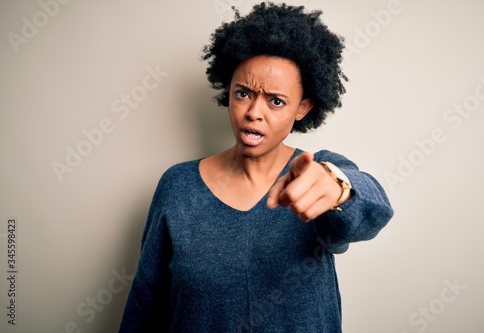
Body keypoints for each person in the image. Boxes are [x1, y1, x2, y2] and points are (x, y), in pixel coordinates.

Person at [118, 2, 394, 332]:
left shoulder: (315, 173)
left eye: (276, 101)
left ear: (302, 108)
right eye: (243, 93)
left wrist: (338, 188)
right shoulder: (179, 186)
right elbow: (146, 301)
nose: (253, 112)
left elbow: (374, 206)